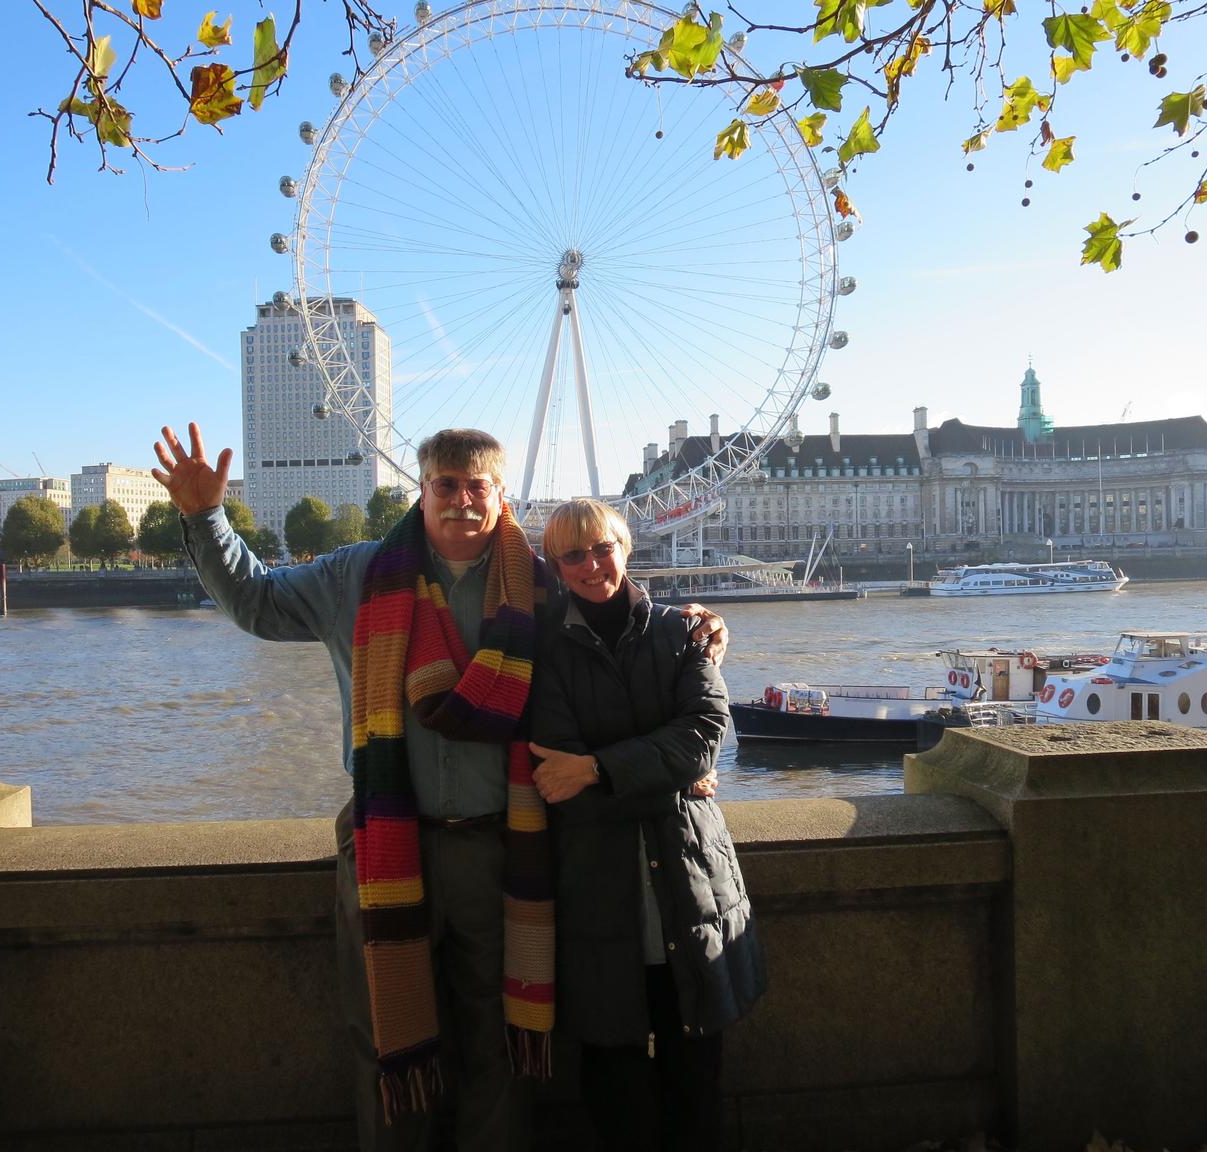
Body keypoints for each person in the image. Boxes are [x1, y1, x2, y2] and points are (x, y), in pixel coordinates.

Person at [150, 424, 726, 1152]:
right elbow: (256, 604)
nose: (460, 500)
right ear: (420, 491)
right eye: (444, 485)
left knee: (502, 1044)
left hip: (506, 848)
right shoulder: (356, 576)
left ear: (500, 495)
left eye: (475, 486)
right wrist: (205, 518)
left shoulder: (544, 587)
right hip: (390, 843)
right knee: (386, 1040)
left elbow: (624, 633)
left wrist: (699, 626)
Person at [528, 498, 765, 1152]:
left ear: (626, 547)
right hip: (601, 898)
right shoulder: (543, 653)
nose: (592, 564)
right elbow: (554, 772)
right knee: (615, 1086)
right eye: (573, 554)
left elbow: (707, 736)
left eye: (602, 547)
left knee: (697, 1082)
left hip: (688, 888)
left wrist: (600, 769)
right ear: (555, 566)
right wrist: (667, 773)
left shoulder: (682, 632)